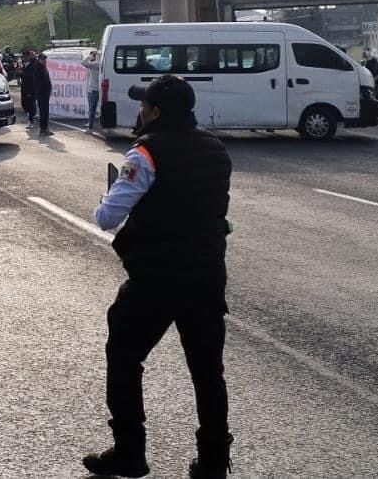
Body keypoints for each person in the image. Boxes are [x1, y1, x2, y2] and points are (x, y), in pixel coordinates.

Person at [85, 75, 232, 478]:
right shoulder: (216, 149)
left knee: (124, 356)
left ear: (155, 112)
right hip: (205, 275)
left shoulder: (145, 154)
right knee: (207, 371)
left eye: (144, 104)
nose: (140, 110)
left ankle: (129, 451)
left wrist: (111, 192)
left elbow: (107, 216)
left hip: (156, 278)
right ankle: (215, 460)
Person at [24, 51, 54, 136]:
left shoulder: (43, 67)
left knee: (45, 111)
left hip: (45, 93)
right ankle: (43, 129)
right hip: (42, 93)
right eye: (43, 59)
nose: (45, 60)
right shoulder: (38, 68)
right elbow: (38, 82)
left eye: (45, 59)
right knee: (43, 111)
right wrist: (42, 90)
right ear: (39, 59)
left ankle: (45, 128)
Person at [84, 49, 103, 131]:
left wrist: (89, 56)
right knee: (92, 108)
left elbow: (83, 63)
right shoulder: (100, 64)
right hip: (94, 89)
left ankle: (90, 127)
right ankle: (90, 123)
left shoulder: (95, 64)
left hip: (93, 90)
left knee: (92, 109)